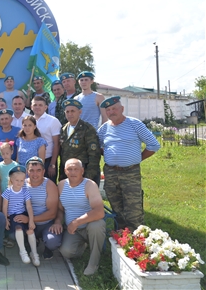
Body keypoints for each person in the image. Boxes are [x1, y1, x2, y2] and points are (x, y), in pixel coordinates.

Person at [97, 96, 160, 231]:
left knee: (133, 209)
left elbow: (153, 145)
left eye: (114, 108)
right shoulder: (104, 128)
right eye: (108, 110)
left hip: (130, 172)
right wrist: (109, 155)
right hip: (111, 173)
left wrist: (137, 158)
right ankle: (121, 238)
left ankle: (137, 240)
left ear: (122, 109)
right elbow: (97, 146)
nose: (111, 112)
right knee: (116, 207)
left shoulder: (134, 124)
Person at [49, 159, 105, 276]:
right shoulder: (61, 185)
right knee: (66, 252)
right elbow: (60, 209)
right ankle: (83, 245)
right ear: (65, 171)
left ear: (82, 171)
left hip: (89, 225)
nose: (73, 172)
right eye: (69, 169)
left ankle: (93, 263)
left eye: (76, 169)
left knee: (97, 225)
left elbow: (99, 212)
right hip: (73, 230)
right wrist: (58, 221)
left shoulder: (89, 185)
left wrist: (77, 222)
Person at [21, 157, 62, 260]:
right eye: (32, 170)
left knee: (53, 242)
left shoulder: (50, 185)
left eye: (38, 170)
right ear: (27, 171)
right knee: (13, 233)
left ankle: (47, 247)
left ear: (43, 171)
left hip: (46, 223)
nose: (35, 174)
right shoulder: (21, 184)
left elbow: (52, 213)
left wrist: (30, 219)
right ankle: (29, 240)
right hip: (27, 223)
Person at [2, 165, 39, 266]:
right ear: (11, 180)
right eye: (17, 180)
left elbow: (29, 206)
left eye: (22, 180)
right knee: (18, 228)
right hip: (13, 215)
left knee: (30, 230)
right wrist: (5, 219)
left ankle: (34, 253)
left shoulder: (24, 191)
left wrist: (31, 220)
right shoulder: (8, 192)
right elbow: (4, 206)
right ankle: (23, 252)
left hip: (23, 213)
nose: (19, 183)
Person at [59, 99, 101, 185]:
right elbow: (63, 154)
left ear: (80, 112)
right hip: (68, 173)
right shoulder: (63, 129)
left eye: (73, 111)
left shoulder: (87, 129)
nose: (70, 114)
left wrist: (88, 177)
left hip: (84, 173)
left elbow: (94, 155)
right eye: (67, 112)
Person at [31, 96, 61, 183]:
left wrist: (52, 164)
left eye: (40, 105)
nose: (37, 107)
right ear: (31, 106)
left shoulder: (53, 121)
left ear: (45, 107)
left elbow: (56, 144)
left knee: (49, 186)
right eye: (35, 105)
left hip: (48, 160)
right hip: (32, 160)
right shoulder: (29, 121)